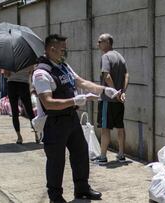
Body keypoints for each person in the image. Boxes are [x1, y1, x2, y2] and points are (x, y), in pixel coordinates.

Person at [32, 34, 119, 203]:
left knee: (80, 153)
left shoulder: (63, 66)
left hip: (71, 119)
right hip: (54, 123)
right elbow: (48, 103)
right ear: (51, 49)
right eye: (63, 50)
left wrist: (103, 90)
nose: (65, 52)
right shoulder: (41, 73)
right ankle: (55, 197)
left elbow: (80, 82)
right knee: (56, 161)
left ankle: (82, 189)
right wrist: (74, 100)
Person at [93, 33, 129, 164]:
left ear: (108, 42)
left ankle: (102, 157)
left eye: (100, 41)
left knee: (105, 128)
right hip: (119, 100)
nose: (98, 44)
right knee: (120, 127)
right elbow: (126, 75)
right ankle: (121, 154)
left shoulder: (106, 57)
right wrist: (122, 92)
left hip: (108, 99)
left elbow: (106, 76)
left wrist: (114, 92)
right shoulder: (120, 56)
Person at [4, 67, 37, 144]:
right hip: (24, 84)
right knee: (29, 111)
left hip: (12, 84)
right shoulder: (28, 59)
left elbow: (6, 74)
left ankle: (19, 137)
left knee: (14, 111)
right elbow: (30, 72)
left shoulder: (9, 60)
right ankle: (37, 134)